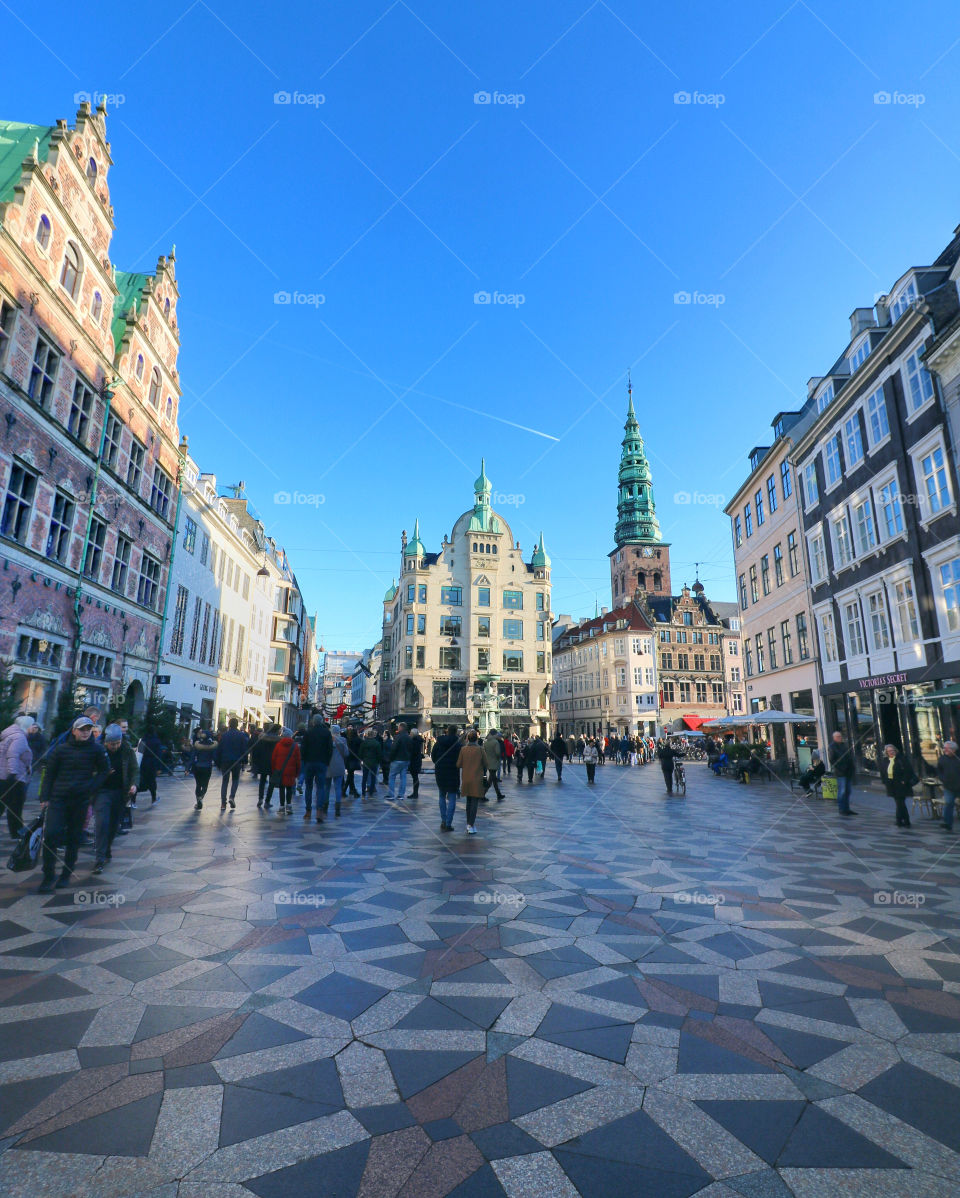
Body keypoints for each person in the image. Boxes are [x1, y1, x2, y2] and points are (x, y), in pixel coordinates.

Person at [37, 716, 110, 893]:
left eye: (88, 729)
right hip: (58, 799)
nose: (86, 732)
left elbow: (104, 771)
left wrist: (91, 787)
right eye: (82, 729)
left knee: (73, 838)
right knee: (51, 834)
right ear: (74, 730)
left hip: (80, 800)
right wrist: (44, 797)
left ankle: (66, 873)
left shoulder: (96, 750)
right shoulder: (60, 750)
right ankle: (48, 874)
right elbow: (49, 775)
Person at [92, 724, 138, 874]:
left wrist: (134, 784)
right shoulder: (98, 750)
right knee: (102, 823)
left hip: (120, 792)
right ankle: (99, 858)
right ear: (106, 741)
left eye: (117, 743)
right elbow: (90, 771)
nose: (115, 746)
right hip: (102, 792)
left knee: (113, 826)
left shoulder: (126, 750)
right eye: (112, 744)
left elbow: (134, 769)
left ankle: (107, 847)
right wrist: (103, 774)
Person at [0, 715, 34, 839]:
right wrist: (13, 773)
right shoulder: (20, 737)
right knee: (15, 807)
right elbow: (12, 754)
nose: (33, 727)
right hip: (13, 777)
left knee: (3, 805)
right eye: (32, 724)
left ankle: (17, 831)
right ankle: (17, 832)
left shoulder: (9, 735)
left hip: (3, 776)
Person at [300, 716, 333, 817]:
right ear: (322, 722)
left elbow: (303, 748)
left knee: (308, 787)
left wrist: (304, 761)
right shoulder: (327, 733)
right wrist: (327, 761)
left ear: (313, 722)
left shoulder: (308, 732)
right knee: (320, 787)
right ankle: (319, 810)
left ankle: (308, 811)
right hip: (322, 762)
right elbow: (330, 749)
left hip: (309, 762)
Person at [432, 724, 461, 830]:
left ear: (447, 731)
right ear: (456, 731)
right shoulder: (458, 744)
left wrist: (439, 764)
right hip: (453, 772)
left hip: (440, 771)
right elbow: (460, 759)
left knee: (441, 795)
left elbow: (433, 756)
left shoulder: (439, 742)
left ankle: (443, 820)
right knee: (452, 797)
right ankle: (448, 823)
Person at [457, 729, 485, 835]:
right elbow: (486, 762)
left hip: (466, 778)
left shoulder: (463, 749)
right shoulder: (480, 750)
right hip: (477, 778)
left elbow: (458, 764)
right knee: (474, 802)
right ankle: (471, 824)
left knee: (468, 801)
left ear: (468, 739)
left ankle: (468, 823)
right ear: (477, 739)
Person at [217, 718, 249, 810]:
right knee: (235, 779)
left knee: (225, 781)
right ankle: (232, 797)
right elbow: (244, 749)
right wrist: (244, 760)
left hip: (225, 760)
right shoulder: (241, 735)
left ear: (229, 724)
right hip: (236, 760)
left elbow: (220, 749)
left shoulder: (224, 735)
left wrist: (218, 762)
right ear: (237, 725)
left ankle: (223, 803)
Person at [882, 743, 917, 828]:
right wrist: (884, 781)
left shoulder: (901, 759)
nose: (891, 752)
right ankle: (905, 820)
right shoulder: (885, 760)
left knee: (899, 802)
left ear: (895, 750)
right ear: (886, 752)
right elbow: (883, 772)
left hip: (901, 784)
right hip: (891, 785)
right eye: (889, 751)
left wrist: (904, 781)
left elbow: (909, 771)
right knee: (900, 803)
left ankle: (899, 820)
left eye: (892, 750)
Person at [270, 728, 301, 814]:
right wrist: (297, 772)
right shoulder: (295, 746)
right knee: (289, 788)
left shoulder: (278, 745)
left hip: (280, 770)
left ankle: (281, 806)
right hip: (291, 771)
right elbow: (298, 760)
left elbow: (273, 758)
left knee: (281, 788)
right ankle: (289, 806)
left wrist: (274, 769)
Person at [828, 731, 858, 816]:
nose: (840, 738)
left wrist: (852, 767)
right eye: (837, 736)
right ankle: (841, 809)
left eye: (840, 736)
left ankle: (847, 808)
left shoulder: (844, 745)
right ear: (834, 738)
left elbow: (849, 757)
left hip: (848, 771)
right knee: (842, 791)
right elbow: (832, 760)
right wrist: (841, 768)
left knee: (848, 791)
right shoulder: (832, 747)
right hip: (841, 773)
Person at [190, 728, 218, 808]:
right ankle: (200, 798)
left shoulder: (197, 745)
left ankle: (198, 801)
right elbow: (215, 758)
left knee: (198, 785)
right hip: (207, 767)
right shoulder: (212, 746)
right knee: (205, 786)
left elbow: (192, 757)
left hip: (198, 767)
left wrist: (187, 768)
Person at [137, 725, 164, 804]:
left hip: (143, 762)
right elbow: (159, 754)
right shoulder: (156, 741)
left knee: (142, 780)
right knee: (152, 781)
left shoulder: (143, 740)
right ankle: (153, 798)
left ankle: (133, 799)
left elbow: (139, 752)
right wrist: (159, 767)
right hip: (152, 763)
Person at [937, 740, 960, 832]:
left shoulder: (958, 759)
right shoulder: (942, 758)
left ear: (953, 750)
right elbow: (939, 770)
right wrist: (942, 778)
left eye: (947, 748)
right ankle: (947, 823)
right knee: (948, 803)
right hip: (948, 786)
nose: (944, 750)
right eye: (944, 748)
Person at [387, 722, 412, 800]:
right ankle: (401, 795)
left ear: (401, 728)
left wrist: (390, 758)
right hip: (406, 759)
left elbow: (394, 748)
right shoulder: (408, 737)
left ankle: (391, 794)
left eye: (398, 727)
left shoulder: (398, 737)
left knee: (392, 776)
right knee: (403, 777)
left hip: (397, 759)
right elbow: (411, 749)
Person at [482, 729, 505, 800]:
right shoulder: (495, 742)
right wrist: (498, 758)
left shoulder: (486, 742)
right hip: (494, 762)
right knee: (492, 780)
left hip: (488, 762)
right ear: (494, 734)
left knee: (492, 779)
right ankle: (482, 794)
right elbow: (498, 753)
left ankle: (498, 794)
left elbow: (484, 752)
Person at [359, 729, 382, 796]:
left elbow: (360, 753)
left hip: (366, 762)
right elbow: (379, 754)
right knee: (373, 778)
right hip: (374, 762)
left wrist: (361, 760)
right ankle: (371, 792)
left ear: (367, 735)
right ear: (373, 735)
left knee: (364, 778)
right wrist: (378, 761)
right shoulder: (377, 743)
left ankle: (363, 792)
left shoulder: (364, 743)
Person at [344, 726, 362, 798]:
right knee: (350, 775)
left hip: (348, 759)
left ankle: (351, 790)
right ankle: (350, 791)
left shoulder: (348, 740)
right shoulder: (359, 740)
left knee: (350, 775)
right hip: (355, 759)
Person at [408, 727, 424, 799]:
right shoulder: (418, 740)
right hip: (417, 761)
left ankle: (415, 793)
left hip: (414, 761)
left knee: (415, 777)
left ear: (413, 734)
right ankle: (415, 793)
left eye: (411, 733)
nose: (410, 734)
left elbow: (413, 752)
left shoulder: (414, 741)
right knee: (415, 777)